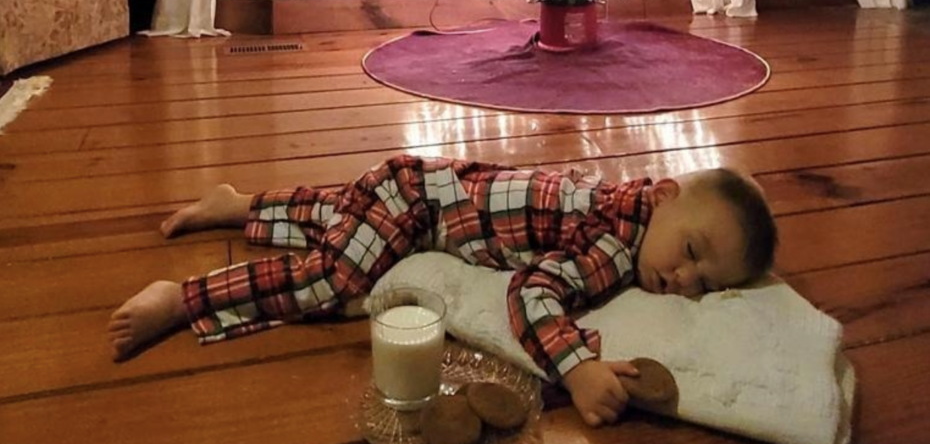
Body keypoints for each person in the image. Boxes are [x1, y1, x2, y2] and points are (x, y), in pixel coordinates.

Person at [108, 154, 777, 427]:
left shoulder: (628, 205)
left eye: (706, 283)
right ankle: (187, 296)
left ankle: (243, 204)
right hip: (417, 204)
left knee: (349, 218)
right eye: (691, 252)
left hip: (422, 189)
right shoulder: (611, 242)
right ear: (661, 197)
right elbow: (533, 295)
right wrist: (577, 367)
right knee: (335, 276)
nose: (685, 279)